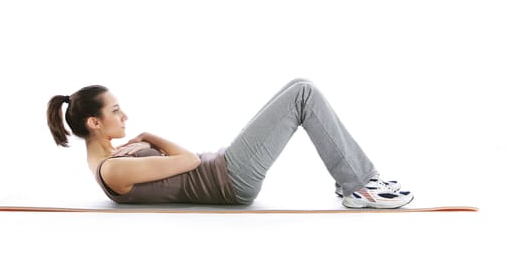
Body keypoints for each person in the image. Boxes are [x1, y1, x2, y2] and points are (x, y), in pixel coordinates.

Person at [46, 78, 413, 209]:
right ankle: (362, 187)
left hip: (224, 167)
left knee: (300, 84)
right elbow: (189, 160)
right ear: (95, 123)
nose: (124, 116)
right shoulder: (114, 168)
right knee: (303, 94)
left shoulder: (112, 159)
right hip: (229, 180)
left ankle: (350, 177)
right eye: (115, 110)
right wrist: (147, 136)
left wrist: (140, 141)